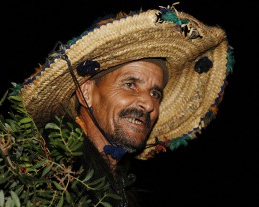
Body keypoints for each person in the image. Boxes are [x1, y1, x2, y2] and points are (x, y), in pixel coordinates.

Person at [20, 3, 234, 206]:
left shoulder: (120, 185)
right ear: (86, 93)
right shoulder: (46, 175)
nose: (149, 103)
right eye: (130, 84)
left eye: (155, 93)